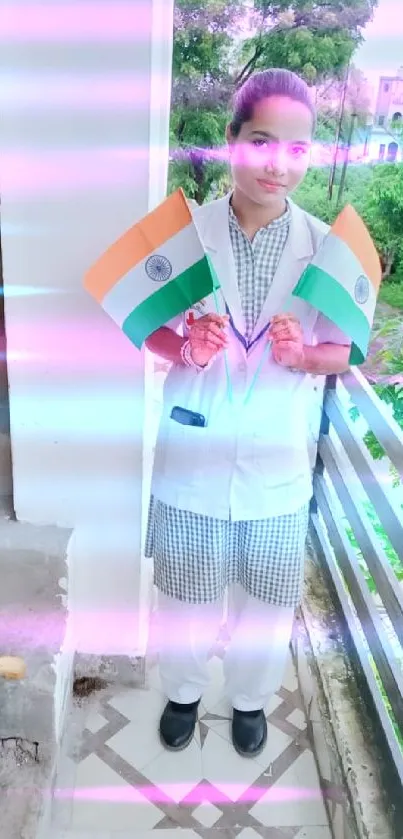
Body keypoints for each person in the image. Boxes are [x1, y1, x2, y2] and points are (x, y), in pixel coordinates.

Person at [145, 68, 351, 757]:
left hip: (275, 461)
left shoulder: (328, 247)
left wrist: (304, 358)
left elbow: (341, 350)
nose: (277, 164)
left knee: (265, 602)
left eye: (296, 150)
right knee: (185, 594)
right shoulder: (180, 234)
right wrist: (185, 345)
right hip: (192, 452)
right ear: (231, 141)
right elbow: (148, 331)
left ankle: (249, 701)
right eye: (261, 141)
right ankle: (181, 690)